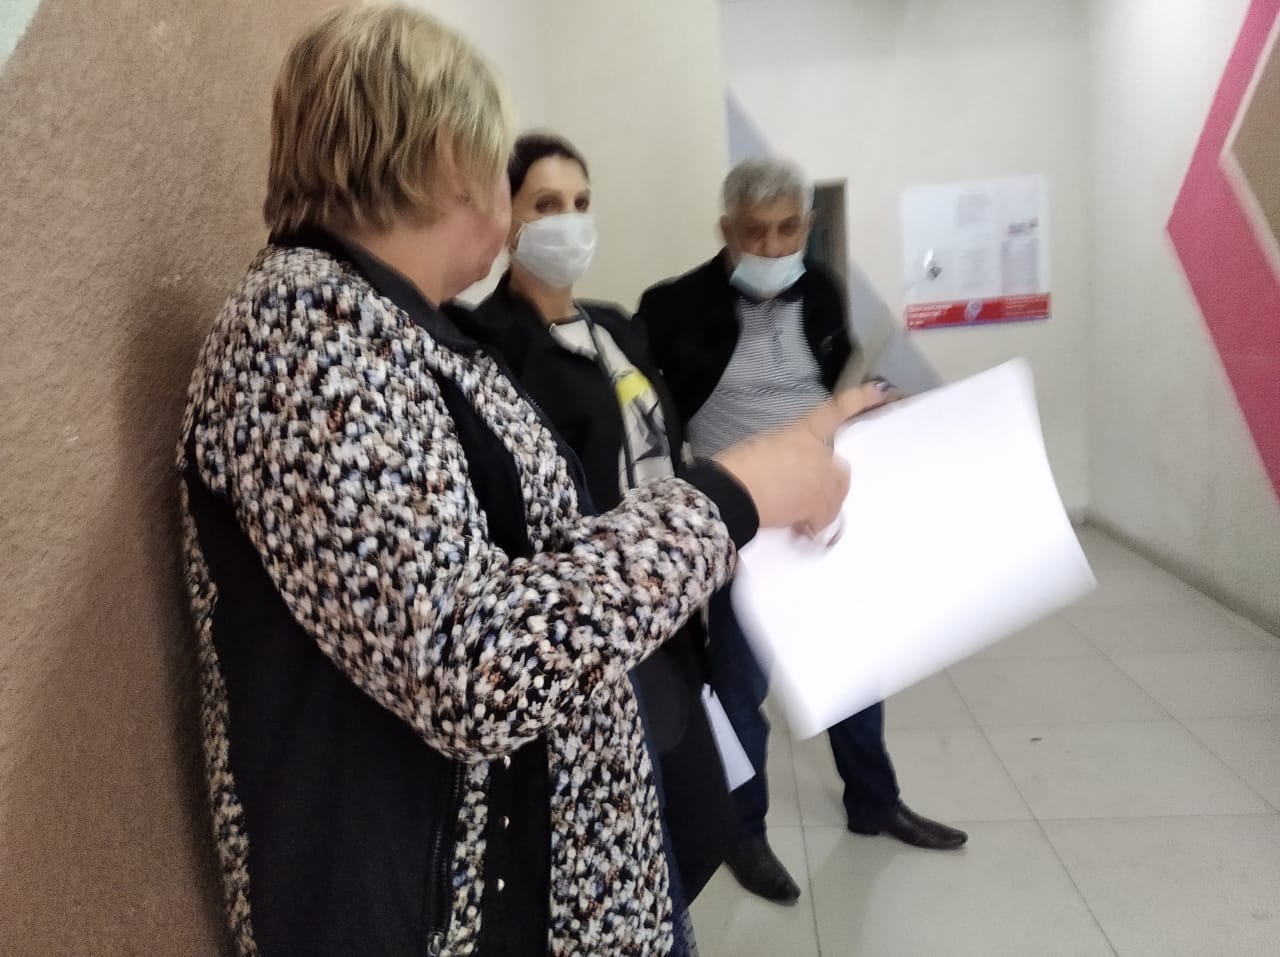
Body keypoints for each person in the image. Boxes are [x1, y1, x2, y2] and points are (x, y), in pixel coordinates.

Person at [176, 8, 850, 957]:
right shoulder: (307, 343)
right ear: (446, 159)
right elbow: (468, 663)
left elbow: (545, 554)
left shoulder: (399, 328)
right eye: (500, 160)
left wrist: (758, 480)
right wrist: (729, 498)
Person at [636, 156, 968, 907]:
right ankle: (742, 831)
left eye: (788, 229)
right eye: (754, 232)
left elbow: (834, 383)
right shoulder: (673, 305)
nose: (772, 245)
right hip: (739, 521)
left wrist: (868, 414)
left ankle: (874, 802)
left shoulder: (819, 290)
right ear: (725, 229)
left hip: (819, 511)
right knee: (740, 686)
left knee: (852, 667)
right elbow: (651, 417)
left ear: (808, 226)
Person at [457, 129, 736, 950]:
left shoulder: (616, 327)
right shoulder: (489, 344)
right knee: (642, 827)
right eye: (546, 204)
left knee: (696, 810)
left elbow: (661, 444)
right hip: (593, 625)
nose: (570, 221)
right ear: (508, 217)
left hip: (666, 606)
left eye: (581, 202)